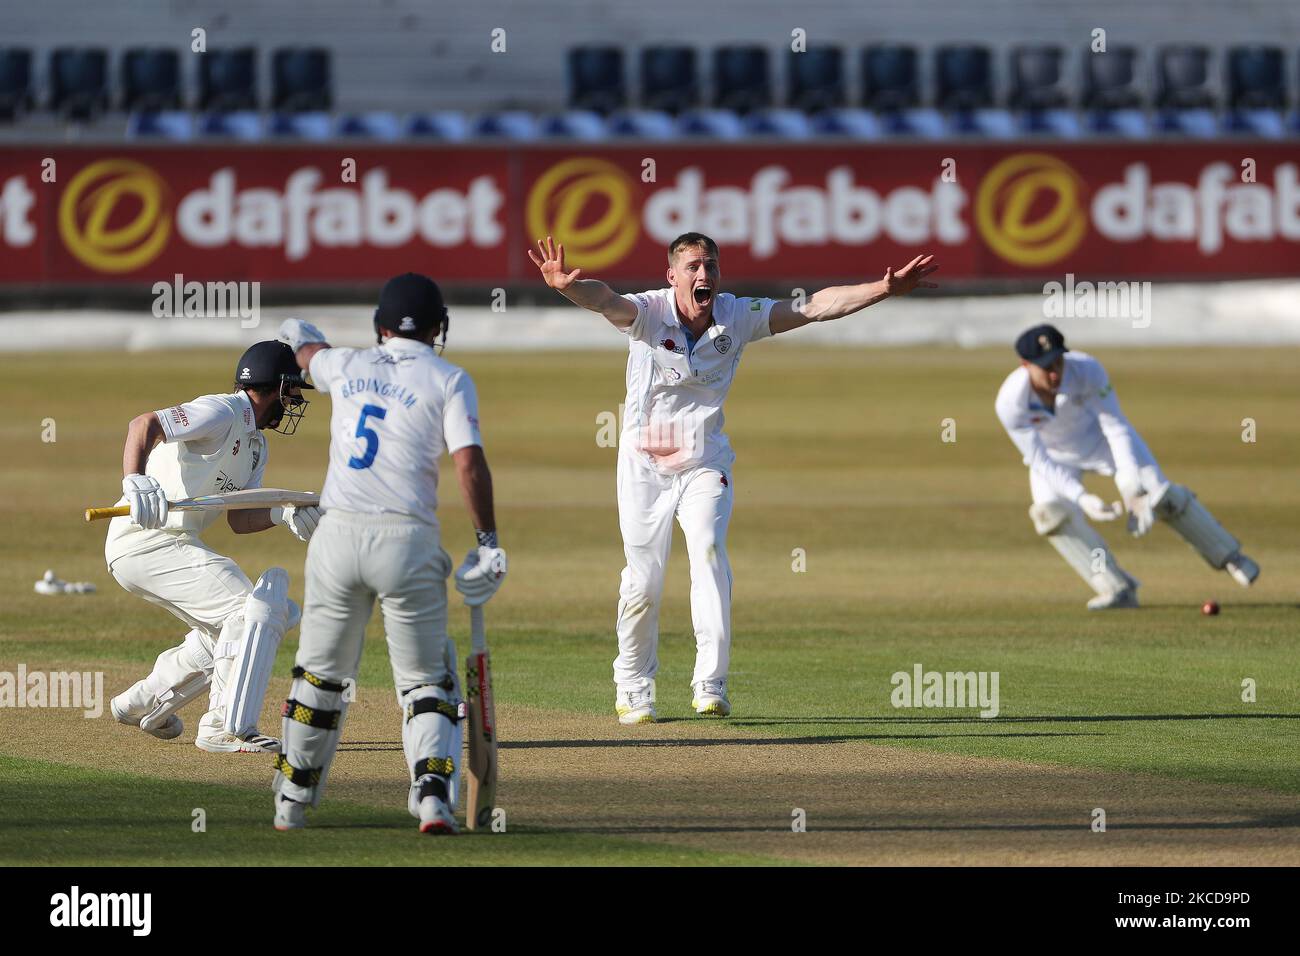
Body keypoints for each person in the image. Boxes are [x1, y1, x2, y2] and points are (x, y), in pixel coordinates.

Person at [529, 232, 937, 723]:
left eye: (712, 266)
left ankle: (711, 682)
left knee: (707, 550)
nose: (705, 275)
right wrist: (567, 288)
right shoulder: (650, 312)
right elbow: (605, 300)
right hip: (644, 466)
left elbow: (815, 306)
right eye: (694, 266)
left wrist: (883, 289)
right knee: (644, 581)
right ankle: (634, 685)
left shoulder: (737, 315)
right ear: (672, 276)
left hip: (705, 461)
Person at [272, 273, 506, 834]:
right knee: (426, 680)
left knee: (320, 680)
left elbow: (304, 349)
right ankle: (431, 798)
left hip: (336, 538)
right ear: (437, 328)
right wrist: (488, 543)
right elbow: (468, 463)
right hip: (407, 540)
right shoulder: (450, 378)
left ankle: (292, 801)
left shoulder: (346, 365)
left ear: (379, 327)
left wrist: (296, 334)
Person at [107, 341, 321, 753]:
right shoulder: (222, 411)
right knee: (249, 613)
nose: (294, 402)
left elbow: (240, 518)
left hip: (172, 542)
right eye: (292, 391)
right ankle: (221, 725)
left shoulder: (257, 445)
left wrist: (283, 514)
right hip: (142, 538)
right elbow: (143, 424)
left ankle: (142, 702)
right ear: (273, 385)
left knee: (247, 622)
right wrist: (133, 480)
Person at [995, 323, 1260, 609]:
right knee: (1049, 515)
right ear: (1025, 365)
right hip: (1057, 457)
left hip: (1103, 443)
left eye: (1058, 361)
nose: (1055, 372)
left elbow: (1116, 427)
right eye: (1046, 367)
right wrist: (1081, 497)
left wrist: (1129, 481)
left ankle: (1232, 557)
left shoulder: (1087, 370)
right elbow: (1039, 461)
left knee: (1159, 496)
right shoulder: (1010, 403)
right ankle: (1115, 588)